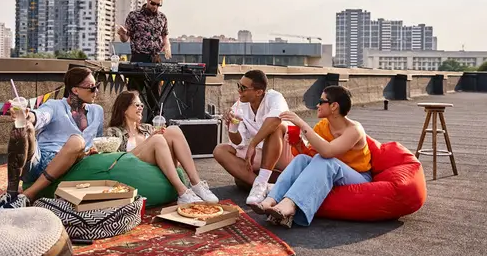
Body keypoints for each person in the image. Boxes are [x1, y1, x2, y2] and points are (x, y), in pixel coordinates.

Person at [0, 67, 104, 214]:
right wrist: (27, 116)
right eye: (92, 88)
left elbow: (99, 140)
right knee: (23, 127)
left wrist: (94, 150)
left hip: (69, 161)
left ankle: (28, 195)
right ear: (75, 90)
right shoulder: (55, 105)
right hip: (37, 161)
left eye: (96, 86)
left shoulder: (98, 111)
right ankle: (11, 193)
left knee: (77, 141)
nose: (96, 91)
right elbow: (40, 116)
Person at [250, 85, 372, 228]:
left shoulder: (354, 129)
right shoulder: (322, 126)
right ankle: (270, 199)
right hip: (332, 172)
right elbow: (310, 156)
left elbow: (327, 152)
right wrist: (298, 144)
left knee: (326, 160)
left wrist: (301, 123)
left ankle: (290, 204)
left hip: (358, 177)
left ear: (334, 106)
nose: (317, 105)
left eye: (321, 101)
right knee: (302, 160)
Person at [106, 90, 219, 204]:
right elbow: (117, 159)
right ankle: (182, 191)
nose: (141, 108)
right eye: (137, 105)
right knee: (157, 139)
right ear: (124, 108)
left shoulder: (148, 128)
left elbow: (176, 164)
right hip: (134, 168)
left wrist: (173, 153)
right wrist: (152, 138)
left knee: (173, 130)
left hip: (157, 168)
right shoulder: (115, 131)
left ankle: (196, 184)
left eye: (142, 105)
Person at [213, 69, 293, 206]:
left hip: (289, 153)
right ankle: (262, 186)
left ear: (259, 92)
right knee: (220, 150)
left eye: (243, 88)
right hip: (264, 153)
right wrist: (232, 126)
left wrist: (253, 144)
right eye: (239, 86)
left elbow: (274, 120)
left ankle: (261, 182)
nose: (239, 91)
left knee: (276, 127)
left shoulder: (274, 97)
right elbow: (238, 143)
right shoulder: (240, 105)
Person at [116, 0, 170, 121]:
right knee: (133, 98)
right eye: (153, 3)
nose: (155, 7)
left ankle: (153, 129)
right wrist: (122, 34)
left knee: (155, 99)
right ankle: (131, 128)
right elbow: (125, 38)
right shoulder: (134, 16)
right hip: (138, 59)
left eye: (158, 4)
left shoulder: (162, 18)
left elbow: (165, 36)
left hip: (155, 60)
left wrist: (167, 45)